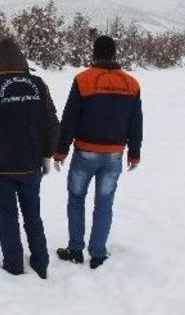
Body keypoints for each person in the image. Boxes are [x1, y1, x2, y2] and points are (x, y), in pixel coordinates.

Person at [0, 37, 59, 279]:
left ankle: (14, 266)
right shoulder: (38, 84)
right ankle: (41, 263)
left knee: (8, 219)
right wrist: (47, 154)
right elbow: (51, 123)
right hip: (30, 165)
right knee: (33, 216)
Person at [53, 35, 143, 269]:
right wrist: (134, 153)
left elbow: (70, 118)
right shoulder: (131, 84)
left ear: (94, 54)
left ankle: (75, 249)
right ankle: (98, 253)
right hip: (114, 156)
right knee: (104, 205)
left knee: (76, 200)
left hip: (85, 153)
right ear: (114, 55)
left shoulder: (84, 80)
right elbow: (136, 122)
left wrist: (60, 151)